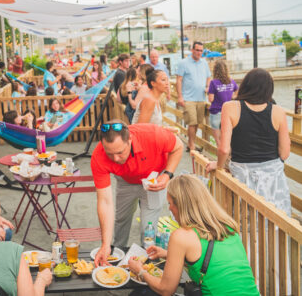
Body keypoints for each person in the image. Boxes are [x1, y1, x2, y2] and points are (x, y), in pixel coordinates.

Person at [128, 174, 259, 295]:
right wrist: (168, 254)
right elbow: (212, 263)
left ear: (181, 205)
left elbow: (166, 289)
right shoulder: (227, 225)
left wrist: (140, 271)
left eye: (170, 203)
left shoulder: (181, 236)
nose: (169, 208)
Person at [91, 120, 183, 266]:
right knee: (121, 218)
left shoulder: (152, 134)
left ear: (130, 140)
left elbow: (178, 146)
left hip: (154, 179)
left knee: (148, 226)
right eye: (110, 153)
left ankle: (147, 264)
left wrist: (167, 175)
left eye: (120, 152)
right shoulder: (98, 155)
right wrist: (104, 244)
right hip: (125, 180)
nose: (115, 159)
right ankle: (114, 252)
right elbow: (105, 202)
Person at [206, 68, 291, 216]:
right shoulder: (278, 111)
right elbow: (284, 153)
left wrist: (219, 166)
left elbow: (224, 149)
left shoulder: (231, 107)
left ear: (245, 85)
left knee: (244, 220)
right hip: (273, 179)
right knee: (274, 222)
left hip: (242, 174)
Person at [176, 42, 211, 152]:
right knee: (192, 123)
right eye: (197, 50)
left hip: (201, 98)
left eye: (201, 50)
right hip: (188, 98)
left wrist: (208, 87)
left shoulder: (204, 63)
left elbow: (209, 78)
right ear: (192, 50)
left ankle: (191, 143)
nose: (199, 52)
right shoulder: (183, 63)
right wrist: (180, 97)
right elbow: (179, 80)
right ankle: (191, 145)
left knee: (197, 123)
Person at [208, 60, 238, 145]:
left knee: (218, 141)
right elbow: (237, 92)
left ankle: (221, 158)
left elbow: (211, 99)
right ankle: (229, 157)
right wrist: (232, 97)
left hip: (216, 112)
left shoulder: (213, 83)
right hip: (228, 113)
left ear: (215, 70)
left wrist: (208, 92)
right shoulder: (231, 81)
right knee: (228, 139)